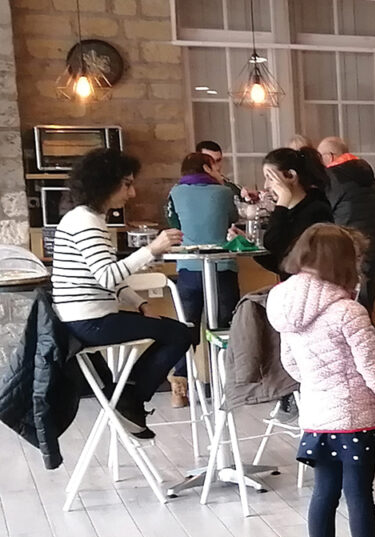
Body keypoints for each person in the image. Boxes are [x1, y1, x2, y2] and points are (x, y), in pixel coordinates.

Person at [266, 224, 375, 537]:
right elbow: (374, 365)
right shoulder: (347, 311)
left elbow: (290, 363)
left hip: (318, 414)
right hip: (356, 416)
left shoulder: (283, 303)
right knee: (359, 496)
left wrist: (319, 384)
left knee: (323, 494)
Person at [51, 148, 190, 438]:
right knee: (181, 333)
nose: (133, 192)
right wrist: (152, 249)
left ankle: (127, 396)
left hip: (84, 319)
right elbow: (107, 276)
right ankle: (129, 398)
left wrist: (139, 304)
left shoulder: (84, 218)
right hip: (91, 322)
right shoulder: (87, 223)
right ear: (104, 183)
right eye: (127, 184)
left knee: (174, 331)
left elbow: (107, 276)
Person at [164, 152, 241, 408]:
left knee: (187, 329)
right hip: (222, 268)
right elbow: (233, 219)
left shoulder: (175, 192)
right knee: (225, 329)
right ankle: (227, 386)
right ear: (207, 167)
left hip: (188, 267)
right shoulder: (224, 192)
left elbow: (172, 222)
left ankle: (180, 389)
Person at [317, 136, 375, 313]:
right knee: (365, 307)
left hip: (352, 248)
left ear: (329, 156)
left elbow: (323, 208)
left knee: (350, 311)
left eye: (320, 157)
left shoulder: (332, 176)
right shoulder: (364, 171)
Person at [234, 147, 333, 279]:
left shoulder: (316, 211)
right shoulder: (290, 210)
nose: (266, 185)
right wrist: (248, 245)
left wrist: (283, 199)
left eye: (270, 178)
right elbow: (280, 262)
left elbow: (273, 245)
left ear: (291, 176)